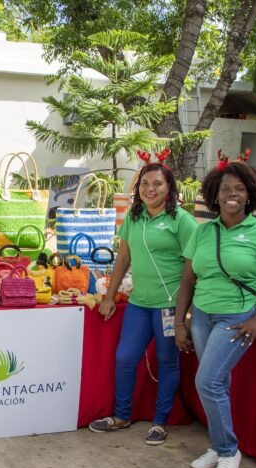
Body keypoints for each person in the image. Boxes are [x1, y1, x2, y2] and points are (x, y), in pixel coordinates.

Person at [174, 158, 256, 468]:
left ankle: (229, 452)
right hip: (202, 315)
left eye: (239, 189)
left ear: (249, 196)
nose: (232, 194)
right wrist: (179, 322)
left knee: (208, 382)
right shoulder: (203, 232)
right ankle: (218, 446)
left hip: (237, 317)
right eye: (225, 189)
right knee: (218, 383)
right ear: (215, 195)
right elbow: (187, 280)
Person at [91, 154, 197, 445]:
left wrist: (183, 312)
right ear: (138, 189)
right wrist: (109, 296)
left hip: (169, 305)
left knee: (167, 362)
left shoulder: (183, 221)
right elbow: (123, 257)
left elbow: (192, 268)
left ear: (169, 187)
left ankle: (160, 422)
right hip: (139, 303)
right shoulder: (133, 218)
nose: (150, 189)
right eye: (144, 184)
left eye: (158, 184)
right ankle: (122, 416)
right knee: (125, 358)